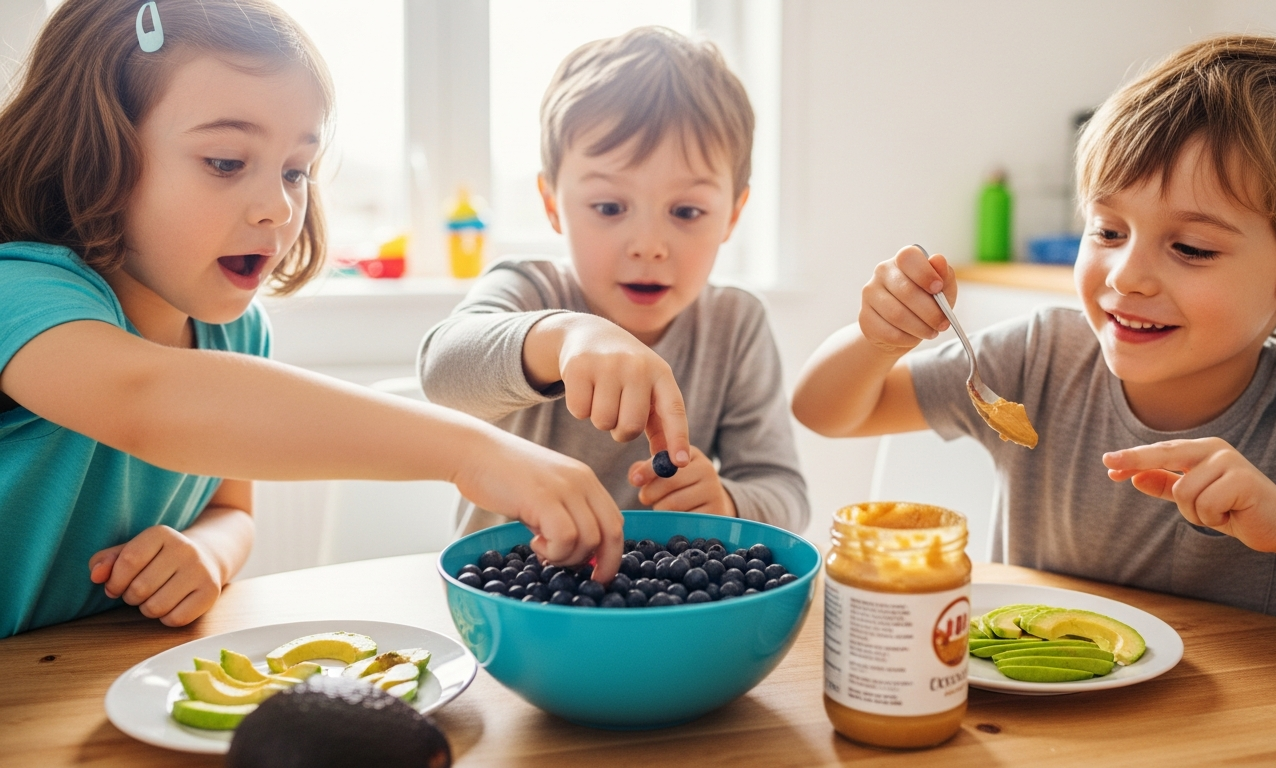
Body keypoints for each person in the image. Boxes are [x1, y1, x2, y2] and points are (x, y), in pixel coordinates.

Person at [0, 0, 623, 640]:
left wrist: (209, 555)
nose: (278, 207)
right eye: (225, 162)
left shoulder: (238, 333)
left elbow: (229, 508)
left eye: (296, 170)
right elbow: (147, 399)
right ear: (93, 153)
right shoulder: (15, 291)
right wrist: (472, 452)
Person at [791, 35, 1276, 633]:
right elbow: (826, 412)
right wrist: (879, 342)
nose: (1128, 276)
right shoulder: (1037, 359)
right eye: (1108, 232)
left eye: (1191, 248)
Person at [419, 27, 808, 535]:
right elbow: (441, 372)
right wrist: (562, 337)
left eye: (687, 211)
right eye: (608, 207)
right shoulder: (530, 291)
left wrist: (730, 501)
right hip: (514, 599)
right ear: (553, 203)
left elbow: (785, 493)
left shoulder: (735, 324)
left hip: (664, 605)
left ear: (733, 215)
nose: (648, 244)